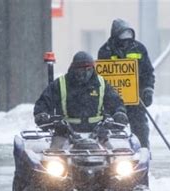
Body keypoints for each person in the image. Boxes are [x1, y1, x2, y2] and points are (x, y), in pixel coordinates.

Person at [33, 51, 128, 143]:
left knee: (115, 156)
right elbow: (44, 102)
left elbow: (116, 102)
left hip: (99, 134)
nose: (85, 74)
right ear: (74, 69)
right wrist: (42, 115)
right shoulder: (61, 84)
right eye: (81, 70)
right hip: (64, 133)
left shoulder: (101, 84)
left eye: (89, 70)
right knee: (53, 155)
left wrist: (120, 113)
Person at [98, 18, 155, 149]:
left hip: (136, 98)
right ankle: (115, 156)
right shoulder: (105, 51)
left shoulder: (139, 49)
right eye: (122, 37)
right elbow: (102, 77)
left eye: (128, 37)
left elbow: (148, 72)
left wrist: (148, 90)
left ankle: (143, 153)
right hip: (113, 100)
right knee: (113, 131)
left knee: (140, 128)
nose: (126, 41)